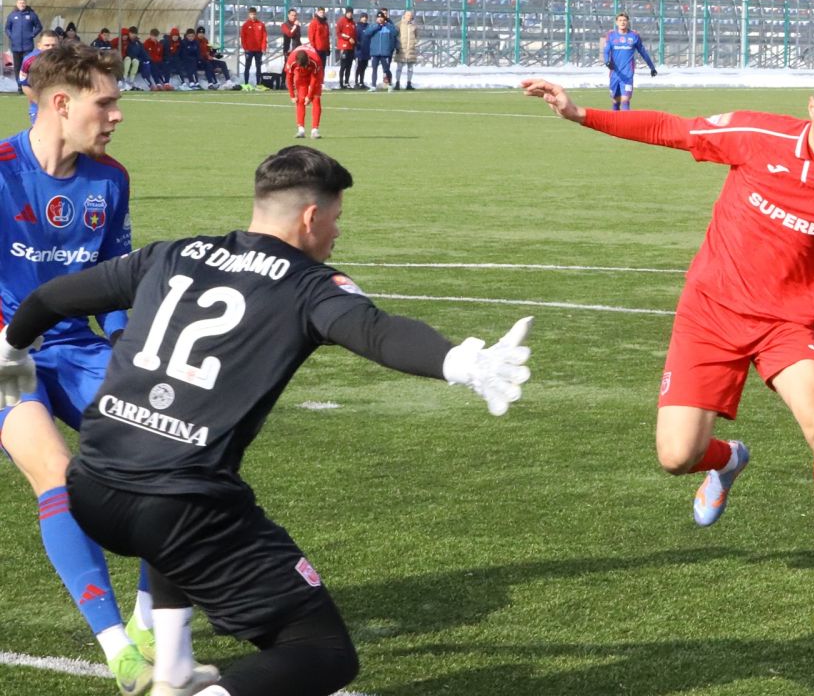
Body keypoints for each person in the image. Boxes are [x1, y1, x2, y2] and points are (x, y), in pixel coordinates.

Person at [0, 145, 533, 696]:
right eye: (336, 219)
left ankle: (175, 669)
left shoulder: (174, 253)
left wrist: (12, 348)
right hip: (177, 507)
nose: (336, 234)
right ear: (310, 216)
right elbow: (377, 332)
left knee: (176, 493)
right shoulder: (307, 284)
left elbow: (50, 297)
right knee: (321, 651)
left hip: (92, 487)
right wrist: (462, 361)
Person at [522, 63, 814, 585]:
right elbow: (673, 130)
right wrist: (581, 114)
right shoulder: (758, 136)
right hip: (710, 311)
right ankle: (727, 460)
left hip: (786, 325)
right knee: (676, 455)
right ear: (810, 108)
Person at [0, 40, 157, 695]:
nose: (118, 114)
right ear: (61, 103)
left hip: (79, 346)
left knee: (168, 449)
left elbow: (112, 286)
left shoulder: (110, 180)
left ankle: (153, 627)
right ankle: (118, 648)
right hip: (8, 353)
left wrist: (131, 352)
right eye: (107, 101)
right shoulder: (0, 170)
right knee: (56, 472)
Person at [601, 12, 656, 111]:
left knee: (625, 100)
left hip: (627, 74)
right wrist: (607, 62)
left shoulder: (634, 36)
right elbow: (606, 51)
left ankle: (626, 125)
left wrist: (652, 67)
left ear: (628, 22)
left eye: (624, 20)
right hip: (614, 74)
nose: (622, 22)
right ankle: (615, 124)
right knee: (615, 101)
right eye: (620, 20)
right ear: (616, 22)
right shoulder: (611, 35)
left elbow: (643, 52)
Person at [18, 29, 59, 123]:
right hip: (39, 107)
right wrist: (42, 104)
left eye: (54, 45)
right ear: (39, 45)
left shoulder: (66, 59)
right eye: (47, 45)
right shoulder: (29, 61)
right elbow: (24, 85)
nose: (50, 48)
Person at [286, 44, 323, 138]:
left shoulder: (315, 60)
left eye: (306, 65)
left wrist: (309, 96)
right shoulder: (291, 61)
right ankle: (301, 130)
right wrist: (292, 95)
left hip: (314, 75)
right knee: (300, 100)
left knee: (316, 100)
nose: (305, 67)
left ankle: (315, 130)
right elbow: (289, 78)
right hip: (301, 77)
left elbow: (314, 80)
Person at [6, 0, 42, 92]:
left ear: (25, 4)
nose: (21, 4)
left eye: (23, 3)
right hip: (16, 46)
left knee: (27, 65)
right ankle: (19, 86)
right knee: (17, 66)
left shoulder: (31, 15)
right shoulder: (12, 15)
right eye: (20, 3)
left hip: (27, 46)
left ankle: (28, 84)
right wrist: (11, 36)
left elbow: (39, 26)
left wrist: (32, 34)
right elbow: (7, 28)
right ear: (17, 4)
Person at [365, 12, 397, 92]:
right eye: (378, 18)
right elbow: (367, 33)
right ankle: (373, 85)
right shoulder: (373, 26)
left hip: (385, 52)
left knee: (386, 70)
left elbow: (395, 33)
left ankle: (390, 84)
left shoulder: (388, 26)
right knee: (374, 69)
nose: (380, 19)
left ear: (384, 18)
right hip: (375, 52)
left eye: (381, 17)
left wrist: (387, 25)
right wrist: (377, 27)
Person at [241, 7, 267, 87]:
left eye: (254, 14)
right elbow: (243, 37)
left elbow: (264, 37)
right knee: (247, 67)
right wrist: (245, 48)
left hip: (258, 50)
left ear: (256, 14)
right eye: (251, 14)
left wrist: (263, 48)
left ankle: (258, 84)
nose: (253, 16)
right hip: (249, 50)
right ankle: (246, 84)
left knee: (258, 67)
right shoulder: (245, 25)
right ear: (249, 15)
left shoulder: (261, 24)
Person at [393, 10, 418, 90]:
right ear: (404, 15)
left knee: (410, 68)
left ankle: (409, 83)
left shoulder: (414, 26)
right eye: (408, 15)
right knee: (399, 68)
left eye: (410, 15)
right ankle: (397, 83)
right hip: (401, 49)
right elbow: (395, 36)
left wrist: (414, 43)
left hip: (411, 50)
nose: (409, 17)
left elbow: (417, 36)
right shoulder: (399, 24)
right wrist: (397, 46)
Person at [335, 7, 356, 89]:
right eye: (348, 13)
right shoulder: (341, 21)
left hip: (351, 47)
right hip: (344, 47)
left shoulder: (353, 23)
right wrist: (348, 38)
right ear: (346, 13)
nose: (350, 14)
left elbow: (354, 34)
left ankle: (346, 82)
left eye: (351, 13)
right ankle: (341, 83)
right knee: (343, 65)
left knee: (349, 66)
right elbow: (338, 33)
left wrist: (355, 42)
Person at [307, 7, 330, 79]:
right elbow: (311, 35)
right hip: (317, 48)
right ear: (317, 13)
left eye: (323, 12)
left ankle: (321, 82)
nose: (322, 14)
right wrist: (313, 47)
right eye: (320, 12)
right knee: (316, 66)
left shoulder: (325, 23)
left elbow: (327, 36)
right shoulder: (314, 22)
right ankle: (314, 81)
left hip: (324, 48)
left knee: (323, 66)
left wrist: (328, 48)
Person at [353, 12, 370, 89]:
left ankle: (361, 82)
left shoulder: (369, 27)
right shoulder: (357, 27)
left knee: (364, 67)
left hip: (367, 50)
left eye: (365, 17)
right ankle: (356, 82)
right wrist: (357, 46)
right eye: (363, 17)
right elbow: (355, 38)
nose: (364, 18)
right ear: (360, 18)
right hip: (359, 50)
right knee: (359, 67)